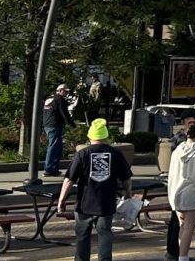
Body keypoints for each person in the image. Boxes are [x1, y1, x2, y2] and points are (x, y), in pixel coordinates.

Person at [59, 119, 133, 261]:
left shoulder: (82, 154)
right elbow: (126, 178)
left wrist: (61, 200)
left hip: (84, 203)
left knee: (82, 236)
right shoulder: (115, 153)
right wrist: (128, 194)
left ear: (90, 136)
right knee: (105, 234)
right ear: (106, 136)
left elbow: (69, 179)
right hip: (106, 203)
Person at [167, 123, 195, 261]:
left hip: (177, 192)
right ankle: (183, 256)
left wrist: (171, 195)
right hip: (193, 192)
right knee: (189, 227)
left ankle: (181, 254)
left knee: (182, 226)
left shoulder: (176, 152)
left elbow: (171, 175)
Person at [43, 84, 76, 177]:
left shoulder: (49, 98)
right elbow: (64, 113)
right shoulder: (59, 99)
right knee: (54, 147)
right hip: (55, 125)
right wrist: (72, 124)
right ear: (60, 90)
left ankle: (53, 168)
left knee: (56, 147)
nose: (66, 93)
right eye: (65, 91)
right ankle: (49, 169)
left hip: (47, 125)